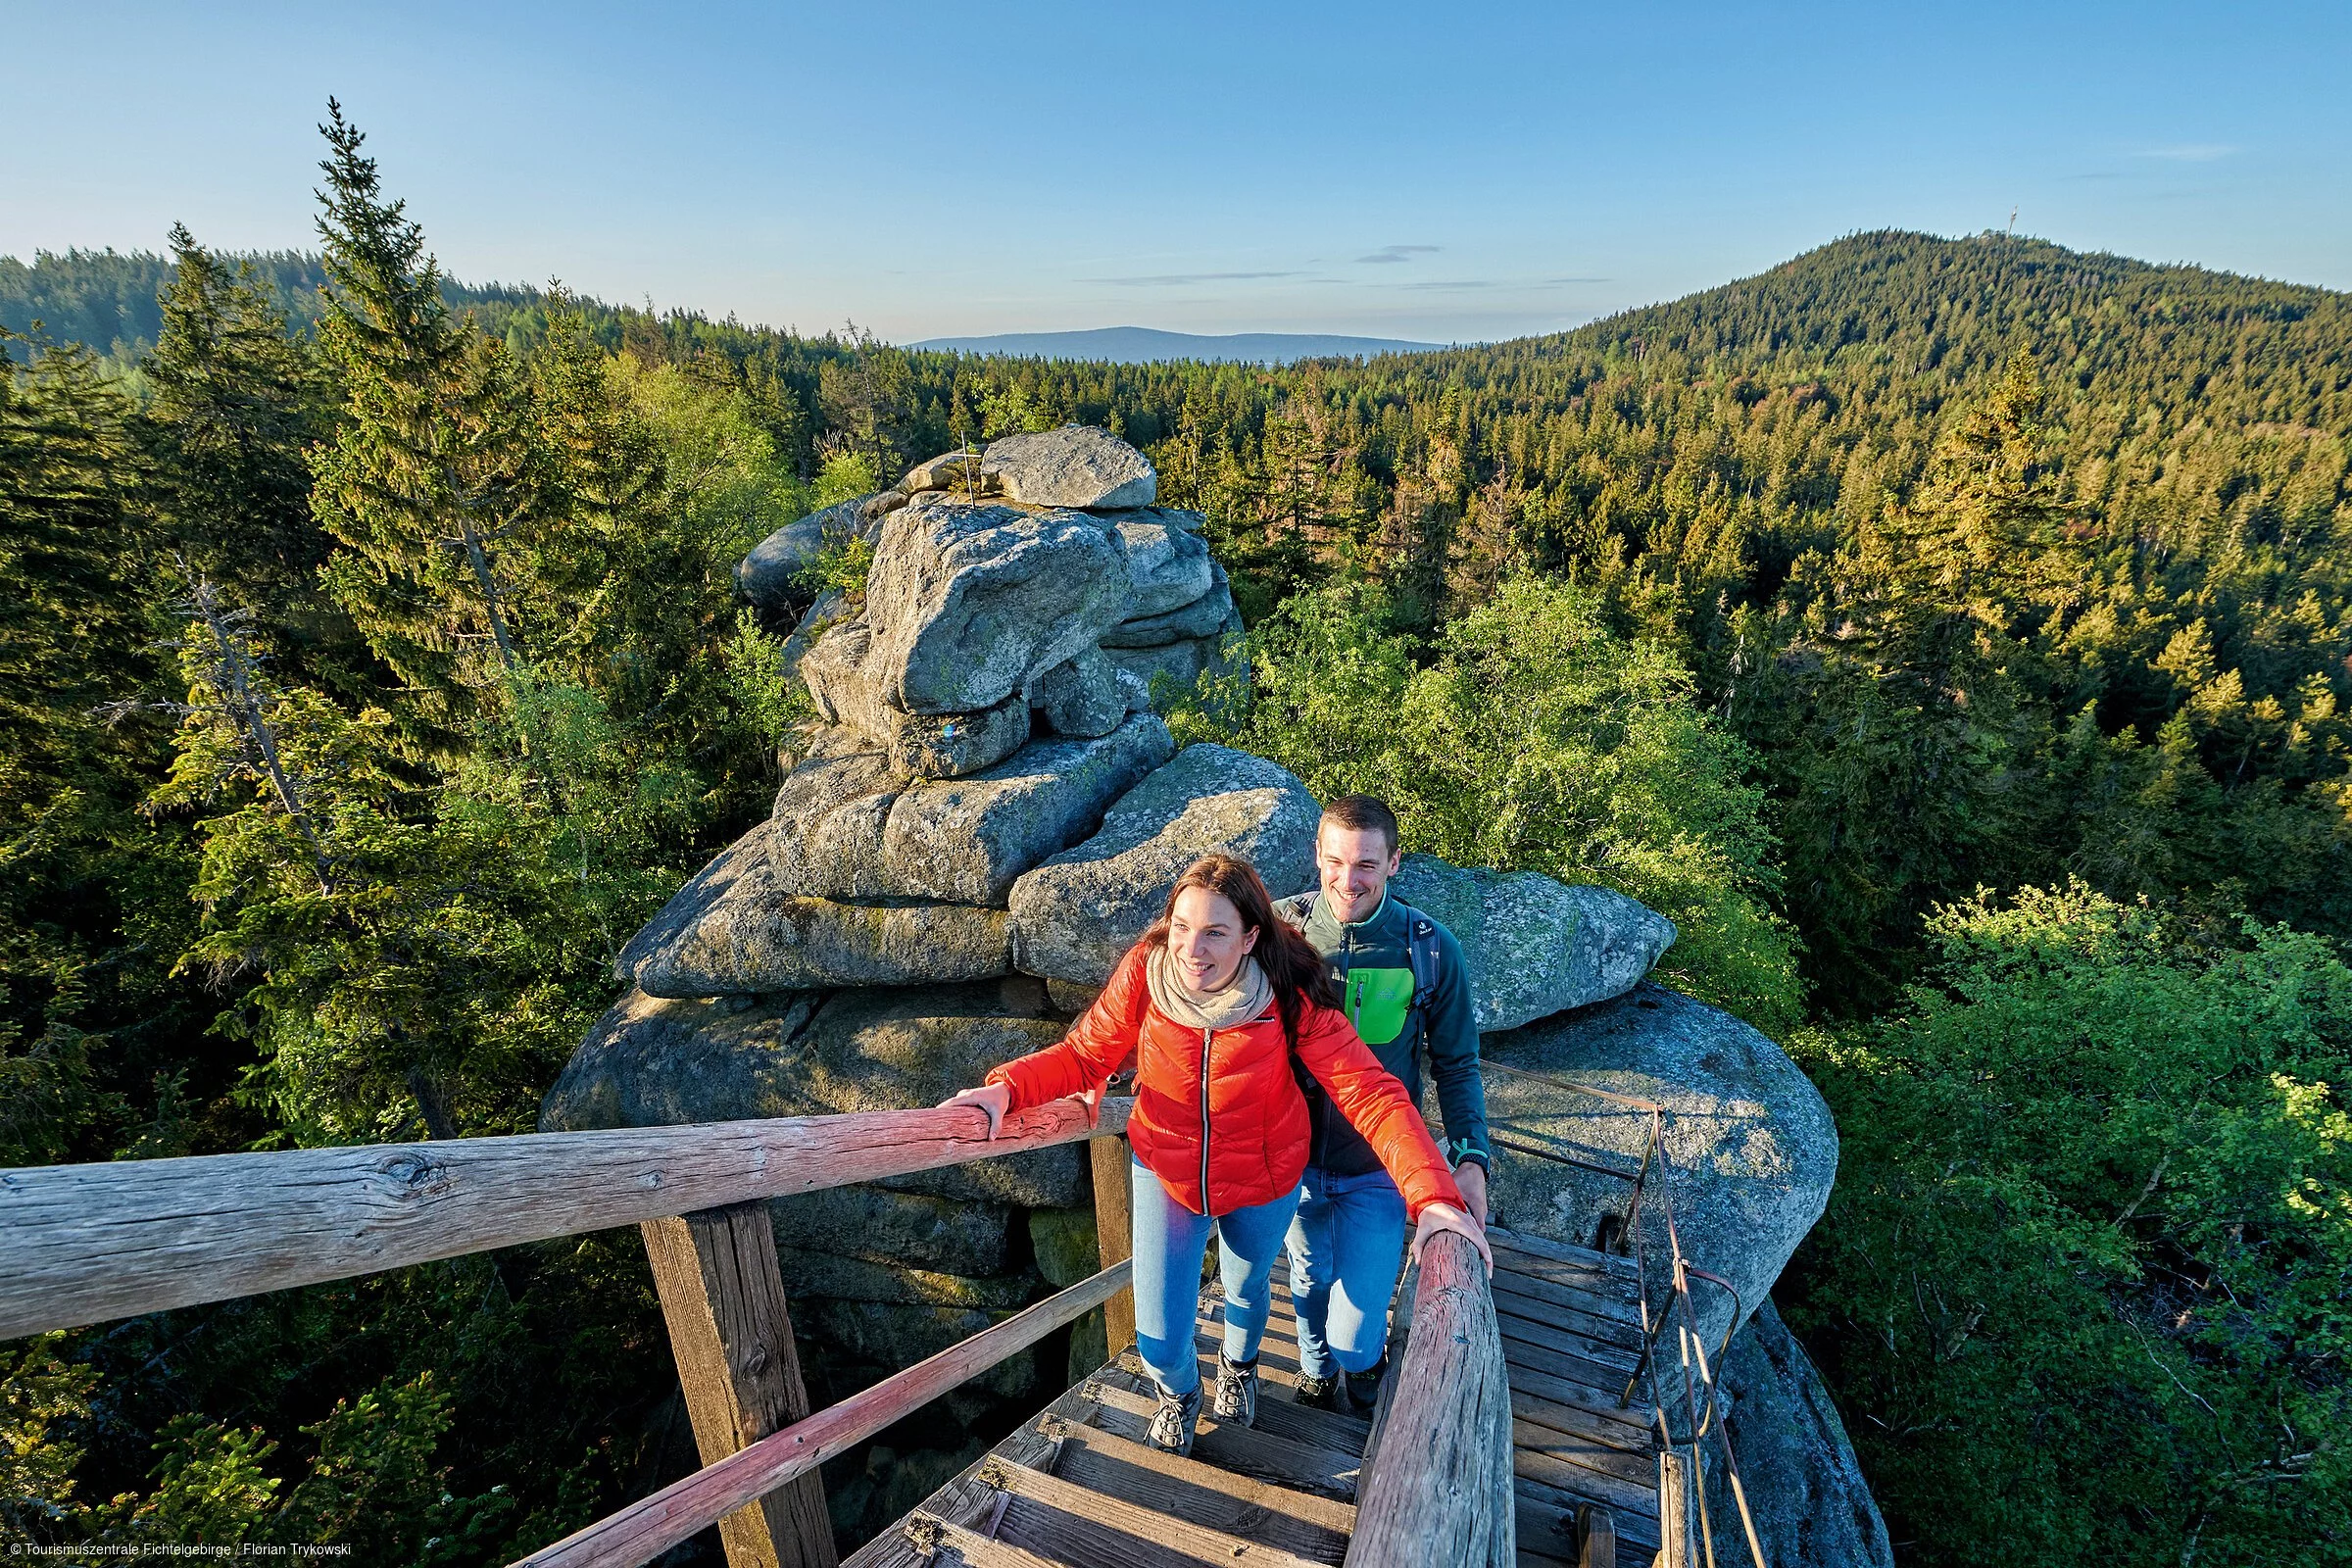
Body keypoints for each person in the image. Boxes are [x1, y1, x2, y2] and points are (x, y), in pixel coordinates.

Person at [939, 852, 1488, 1457]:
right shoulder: (1148, 971)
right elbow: (1086, 1053)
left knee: (1247, 1293)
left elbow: (1371, 1094)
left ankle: (1238, 1368)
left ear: (1251, 937)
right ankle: (1179, 1394)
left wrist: (1434, 1197)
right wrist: (1005, 1088)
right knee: (1157, 1338)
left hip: (1265, 1176)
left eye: (1215, 933)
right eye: (1182, 927)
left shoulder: (1288, 993)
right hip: (1167, 1170)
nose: (1192, 949)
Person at [1276, 795, 1492, 1413]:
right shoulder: (1282, 940)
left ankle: (1361, 1366)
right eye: (1337, 860)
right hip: (1291, 1166)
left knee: (1357, 1325)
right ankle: (1318, 1374)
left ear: (1394, 862)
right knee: (1308, 1278)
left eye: (1367, 863)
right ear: (1317, 855)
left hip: (1376, 1170)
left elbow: (1456, 1064)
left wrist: (1470, 1157)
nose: (1350, 879)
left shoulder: (1428, 949)